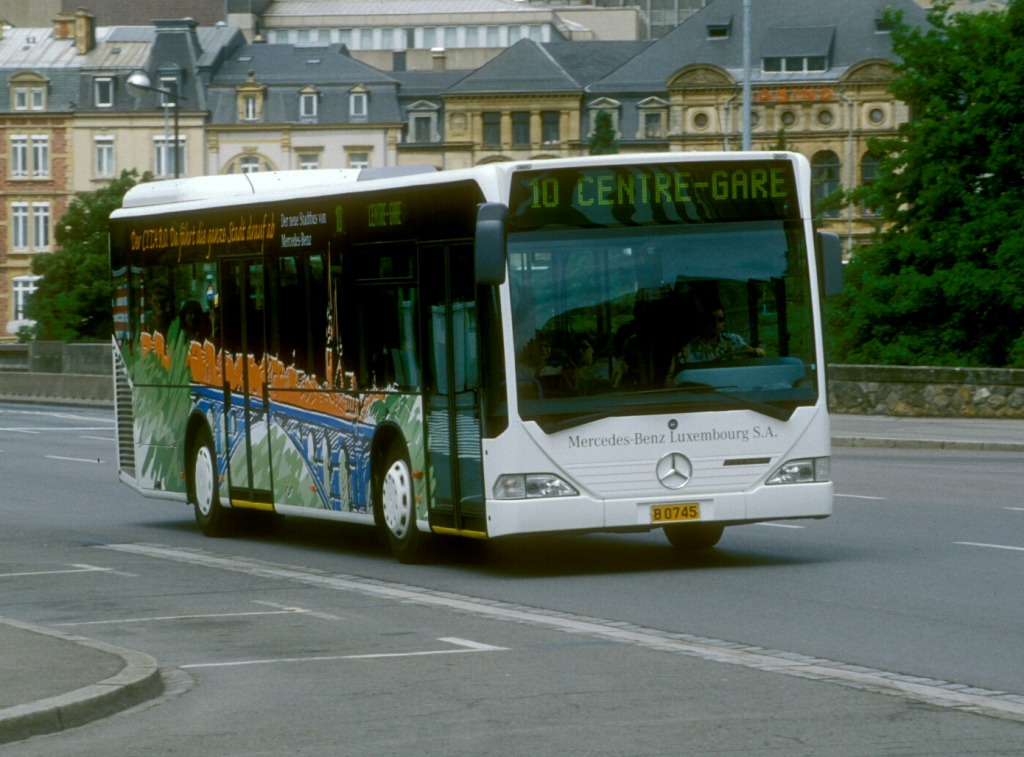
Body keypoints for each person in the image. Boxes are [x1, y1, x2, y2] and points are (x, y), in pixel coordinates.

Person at [666, 307, 763, 381]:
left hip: (731, 388)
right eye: (711, 319)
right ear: (703, 322)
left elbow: (748, 351)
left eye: (720, 319)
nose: (716, 323)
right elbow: (672, 379)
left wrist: (756, 351)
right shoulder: (688, 350)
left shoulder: (732, 339)